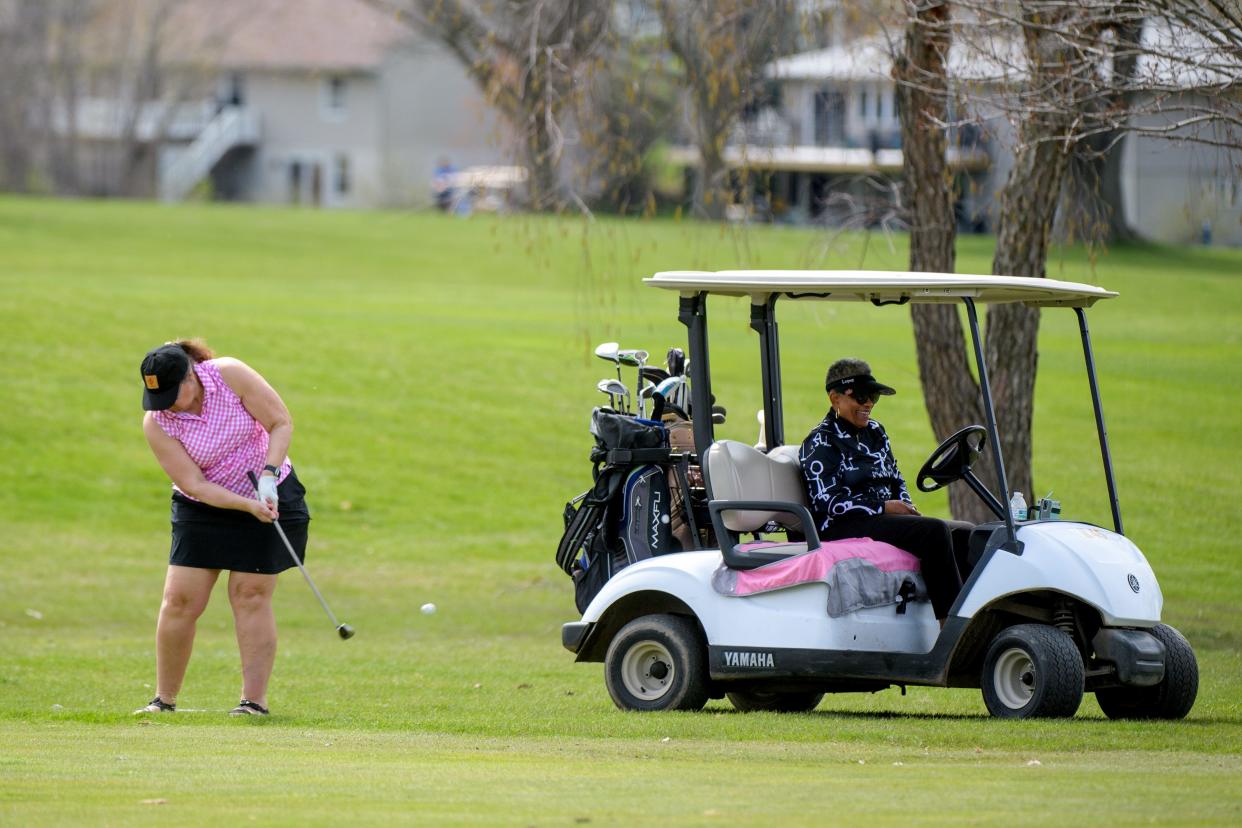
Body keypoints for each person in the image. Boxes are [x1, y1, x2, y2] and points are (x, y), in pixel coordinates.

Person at [134, 339, 310, 716]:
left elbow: (280, 422)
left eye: (170, 393)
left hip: (272, 494)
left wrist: (268, 475)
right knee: (180, 600)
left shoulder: (228, 375)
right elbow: (194, 484)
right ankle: (163, 700)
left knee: (249, 594)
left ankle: (253, 702)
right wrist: (245, 504)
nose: (166, 404)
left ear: (189, 376)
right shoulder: (157, 421)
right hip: (204, 507)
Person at [799, 358, 968, 621]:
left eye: (874, 397)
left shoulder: (876, 432)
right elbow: (828, 502)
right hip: (843, 524)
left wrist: (905, 506)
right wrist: (884, 507)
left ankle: (975, 620)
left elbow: (895, 478)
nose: (869, 404)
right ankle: (953, 633)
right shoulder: (820, 441)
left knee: (965, 532)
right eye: (862, 397)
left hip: (881, 518)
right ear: (836, 399)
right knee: (934, 532)